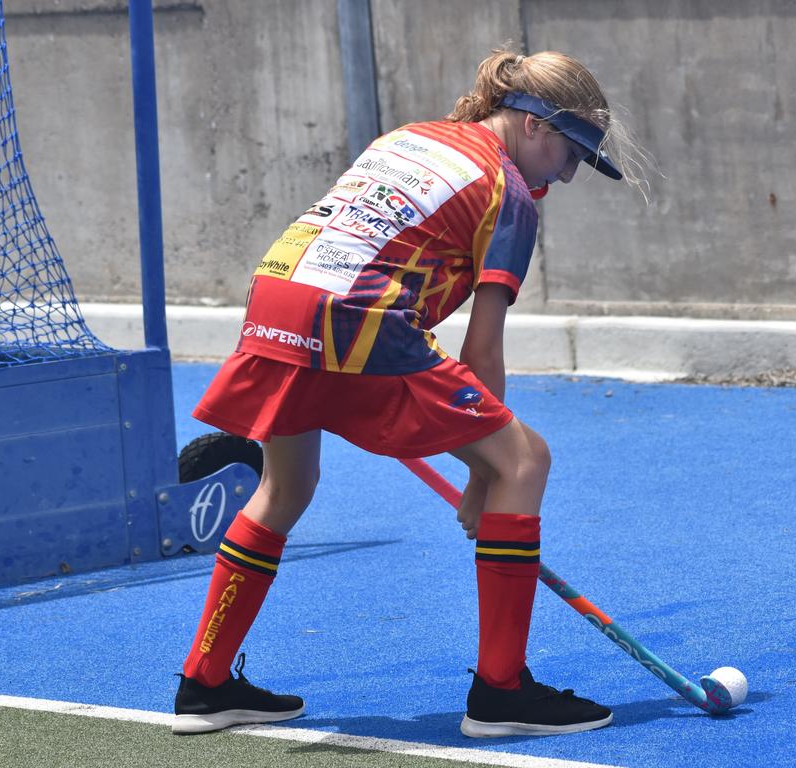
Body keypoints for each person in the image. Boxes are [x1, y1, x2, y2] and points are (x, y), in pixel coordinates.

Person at [172, 48, 647, 738]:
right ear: (533, 125)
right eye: (571, 152)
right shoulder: (507, 193)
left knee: (285, 488)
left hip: (277, 300)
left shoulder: (410, 137)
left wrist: (479, 468)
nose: (570, 173)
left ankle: (205, 684)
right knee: (525, 462)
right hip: (356, 317)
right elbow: (483, 350)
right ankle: (502, 693)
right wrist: (487, 480)